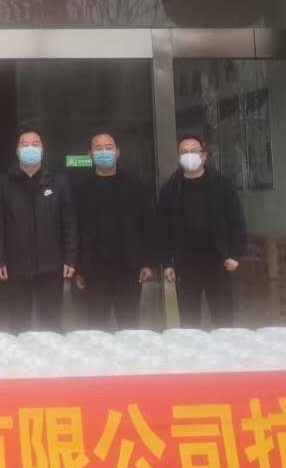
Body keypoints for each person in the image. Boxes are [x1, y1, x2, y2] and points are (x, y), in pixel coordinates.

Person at [158, 135, 247, 329]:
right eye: (184, 152)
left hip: (219, 262)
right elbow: (162, 228)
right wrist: (166, 263)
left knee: (224, 320)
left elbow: (237, 222)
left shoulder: (222, 185)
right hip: (185, 264)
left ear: (204, 156)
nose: (189, 155)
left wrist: (235, 254)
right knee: (189, 322)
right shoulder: (170, 188)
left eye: (194, 151)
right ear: (179, 157)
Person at [0, 129, 78, 333]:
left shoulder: (58, 181)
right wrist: (0, 259)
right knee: (18, 325)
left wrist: (70, 257)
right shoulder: (3, 182)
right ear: (17, 151)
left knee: (51, 326)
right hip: (16, 266)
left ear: (42, 149)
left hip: (52, 265)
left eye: (35, 144)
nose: (30, 148)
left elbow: (69, 221)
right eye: (25, 144)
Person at [74, 132, 155, 330]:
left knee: (129, 327)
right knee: (96, 328)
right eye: (98, 148)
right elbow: (75, 229)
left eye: (109, 148)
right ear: (90, 154)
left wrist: (147, 261)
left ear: (118, 152)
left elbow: (148, 225)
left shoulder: (135, 185)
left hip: (128, 268)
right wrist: (78, 266)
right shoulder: (80, 188)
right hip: (94, 270)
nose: (104, 152)